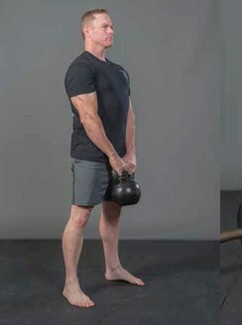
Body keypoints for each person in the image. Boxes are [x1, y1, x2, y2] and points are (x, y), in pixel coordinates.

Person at [62, 8, 144, 308]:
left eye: (112, 27)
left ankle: (113, 268)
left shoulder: (120, 70)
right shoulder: (80, 69)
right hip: (91, 155)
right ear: (88, 31)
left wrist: (129, 152)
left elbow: (129, 115)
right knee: (80, 217)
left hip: (119, 157)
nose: (111, 31)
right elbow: (88, 118)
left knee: (113, 213)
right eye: (105, 26)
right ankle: (71, 284)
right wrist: (112, 155)